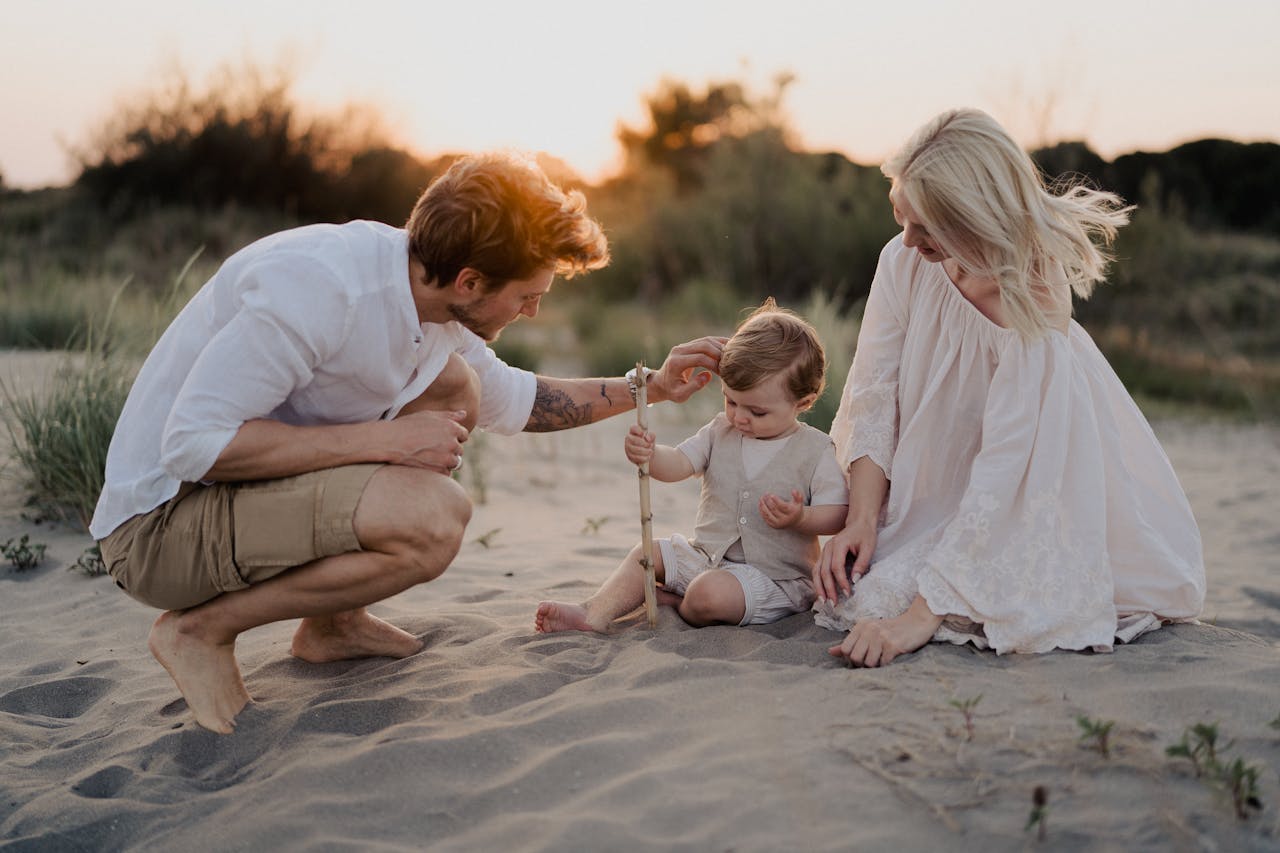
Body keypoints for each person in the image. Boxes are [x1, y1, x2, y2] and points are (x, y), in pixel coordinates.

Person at [90, 151, 725, 733]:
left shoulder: (431, 299)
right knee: (433, 518)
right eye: (527, 297)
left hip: (231, 498)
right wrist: (385, 441)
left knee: (459, 387)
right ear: (471, 283)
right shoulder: (321, 289)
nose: (532, 312)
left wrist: (653, 388)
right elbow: (196, 446)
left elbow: (521, 402)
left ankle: (332, 626)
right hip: (159, 525)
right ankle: (200, 632)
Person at [813, 108, 1205, 667]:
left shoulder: (1032, 299)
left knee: (914, 598)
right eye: (902, 215)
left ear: (973, 218)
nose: (907, 238)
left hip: (1028, 480)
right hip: (931, 477)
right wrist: (863, 518)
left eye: (926, 226)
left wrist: (923, 615)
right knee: (857, 583)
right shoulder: (901, 262)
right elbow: (875, 391)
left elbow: (1006, 465)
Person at [536, 299, 848, 633]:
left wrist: (802, 518)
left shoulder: (815, 449)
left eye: (756, 412)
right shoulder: (720, 431)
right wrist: (651, 455)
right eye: (730, 401)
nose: (739, 417)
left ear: (803, 402)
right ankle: (593, 613)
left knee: (708, 593)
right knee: (648, 552)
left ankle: (677, 603)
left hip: (773, 579)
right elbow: (680, 464)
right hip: (706, 558)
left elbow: (839, 513)